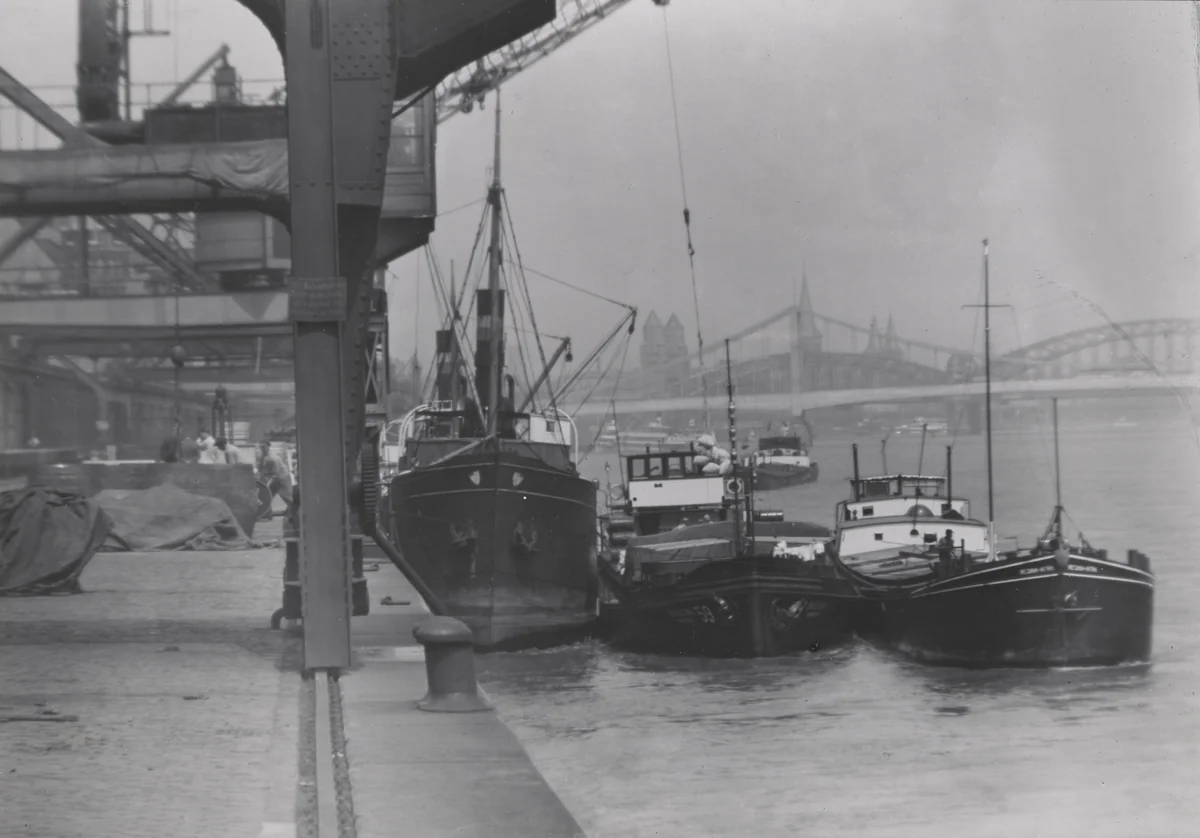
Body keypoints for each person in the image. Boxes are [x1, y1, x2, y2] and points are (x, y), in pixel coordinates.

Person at [257, 441, 295, 510]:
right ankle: (265, 513)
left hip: (282, 478)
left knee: (287, 497)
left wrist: (268, 484)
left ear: (268, 447)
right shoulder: (262, 456)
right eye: (261, 447)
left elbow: (275, 474)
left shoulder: (274, 458)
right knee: (267, 496)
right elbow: (261, 469)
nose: (262, 449)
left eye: (264, 447)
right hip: (273, 478)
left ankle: (295, 511)